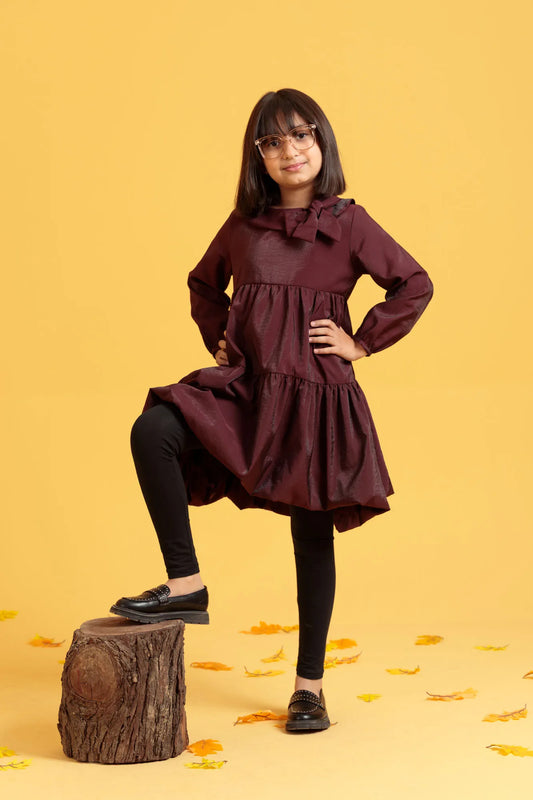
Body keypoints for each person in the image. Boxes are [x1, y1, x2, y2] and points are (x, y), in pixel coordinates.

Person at [110, 88, 434, 733]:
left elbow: (414, 283)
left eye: (303, 135)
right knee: (155, 429)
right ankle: (186, 584)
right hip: (249, 388)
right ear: (258, 156)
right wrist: (223, 335)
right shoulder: (243, 226)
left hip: (315, 394)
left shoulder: (349, 222)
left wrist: (361, 342)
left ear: (323, 143)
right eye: (275, 140)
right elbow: (204, 284)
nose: (292, 150)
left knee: (311, 534)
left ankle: (309, 688)